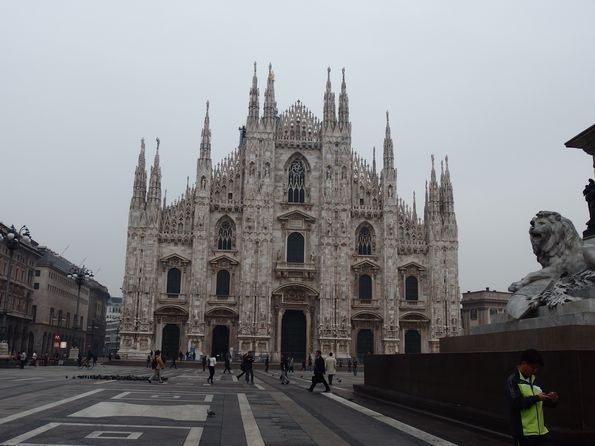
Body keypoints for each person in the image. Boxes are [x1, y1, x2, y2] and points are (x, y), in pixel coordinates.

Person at [506, 349, 558, 446]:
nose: (535, 370)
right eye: (533, 367)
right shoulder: (513, 380)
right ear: (523, 363)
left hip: (541, 432)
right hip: (524, 433)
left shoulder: (535, 380)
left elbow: (542, 400)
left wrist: (552, 399)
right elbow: (516, 403)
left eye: (537, 368)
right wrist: (537, 398)